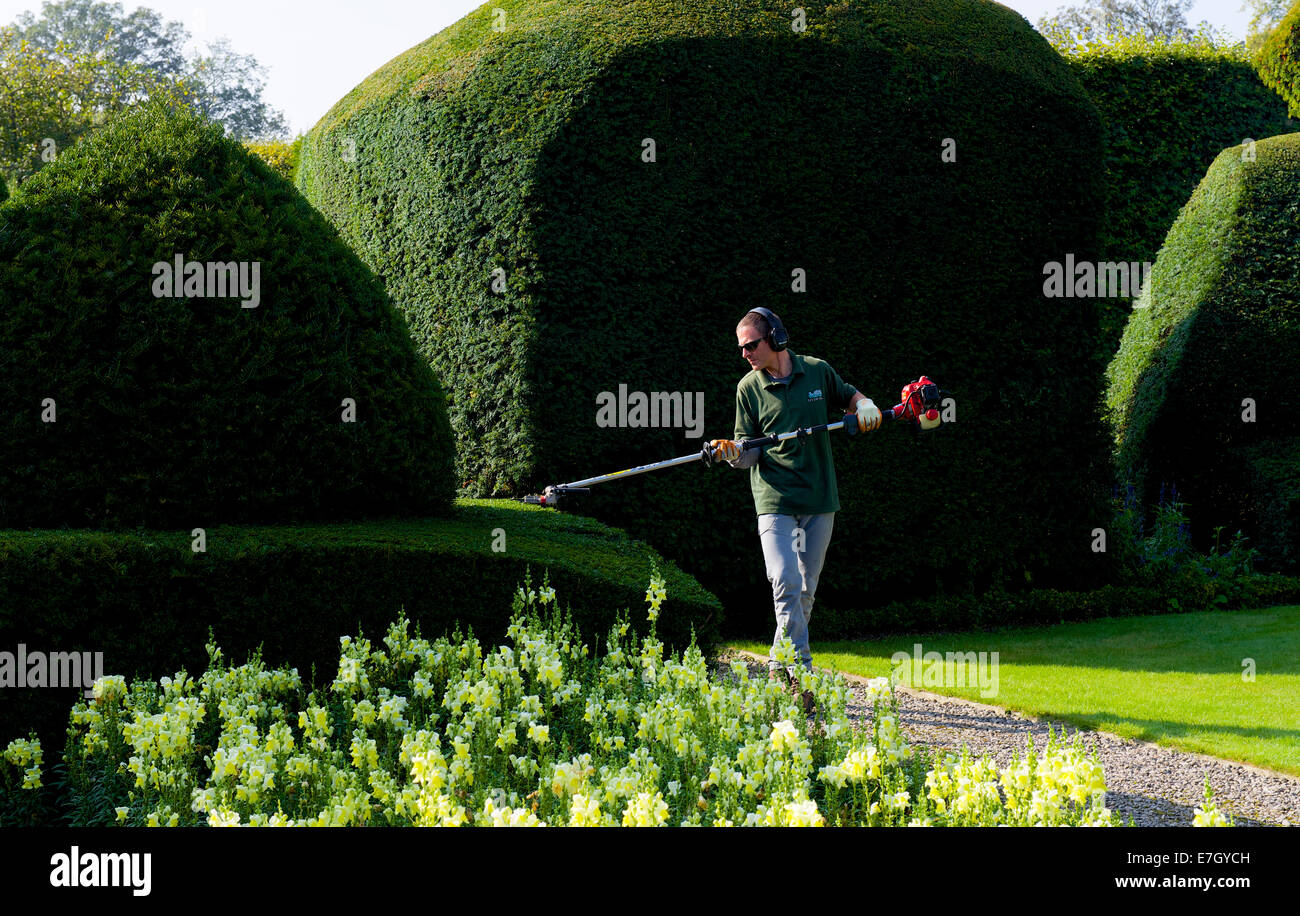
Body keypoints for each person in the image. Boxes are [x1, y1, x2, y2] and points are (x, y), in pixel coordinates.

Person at [709, 308, 880, 703]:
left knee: (804, 592)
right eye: (742, 348)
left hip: (820, 499)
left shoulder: (817, 371)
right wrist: (732, 453)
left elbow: (849, 397)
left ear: (776, 339)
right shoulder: (747, 389)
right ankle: (800, 677)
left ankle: (775, 666)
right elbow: (747, 452)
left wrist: (865, 403)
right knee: (785, 579)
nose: (745, 353)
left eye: (751, 345)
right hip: (775, 501)